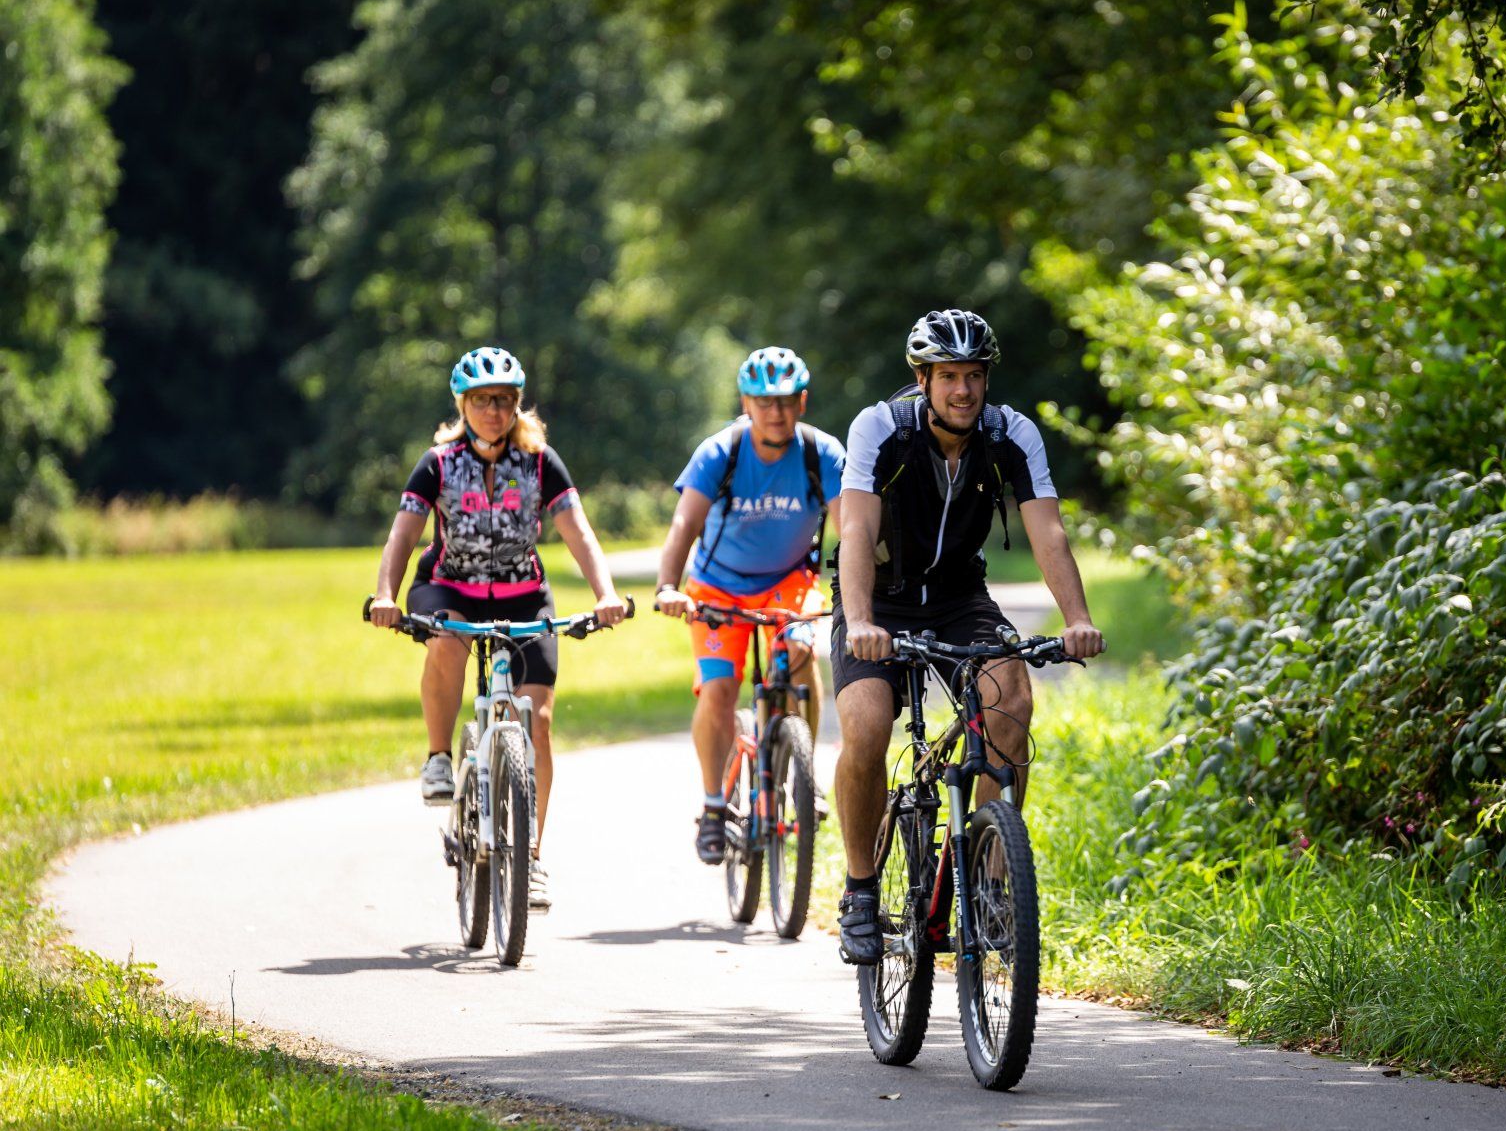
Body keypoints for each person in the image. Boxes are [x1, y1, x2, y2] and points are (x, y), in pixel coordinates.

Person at [829, 309, 1105, 965]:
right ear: (922, 379)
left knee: (1011, 702)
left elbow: (1048, 533)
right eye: (948, 376)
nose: (962, 390)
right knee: (867, 725)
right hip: (880, 598)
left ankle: (988, 880)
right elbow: (857, 533)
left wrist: (1076, 619)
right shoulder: (880, 429)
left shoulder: (1012, 435)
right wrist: (862, 620)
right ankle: (860, 891)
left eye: (973, 376)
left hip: (960, 597)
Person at [367, 346, 626, 910]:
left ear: (516, 406)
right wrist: (386, 594)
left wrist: (605, 595)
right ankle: (439, 757)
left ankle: (530, 858)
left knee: (539, 721)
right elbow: (405, 533)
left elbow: (578, 531)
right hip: (449, 588)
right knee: (447, 638)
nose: (493, 410)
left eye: (504, 401)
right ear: (464, 404)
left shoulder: (540, 461)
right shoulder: (437, 463)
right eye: (483, 400)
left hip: (523, 594)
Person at [655, 346, 846, 864]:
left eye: (785, 401)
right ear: (746, 403)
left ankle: (804, 772)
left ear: (802, 402)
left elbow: (850, 526)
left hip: (788, 582)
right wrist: (667, 586)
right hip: (718, 587)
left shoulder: (821, 453)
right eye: (764, 402)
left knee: (803, 652)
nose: (776, 412)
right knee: (719, 689)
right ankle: (715, 806)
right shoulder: (721, 452)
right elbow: (683, 526)